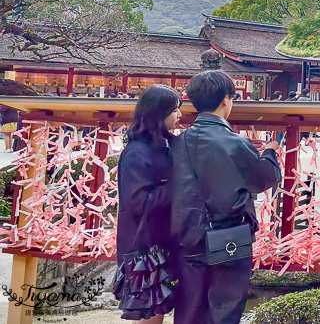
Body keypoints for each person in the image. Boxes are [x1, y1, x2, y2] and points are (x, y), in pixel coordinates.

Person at [171, 71, 282, 324]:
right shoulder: (236, 143)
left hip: (187, 237)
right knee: (225, 310)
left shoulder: (179, 142)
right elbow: (264, 179)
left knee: (189, 310)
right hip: (229, 238)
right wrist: (270, 154)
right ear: (226, 100)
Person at [113, 85, 181, 323]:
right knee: (151, 315)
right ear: (158, 113)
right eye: (175, 110)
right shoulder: (136, 153)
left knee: (158, 312)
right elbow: (139, 202)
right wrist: (179, 186)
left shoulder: (164, 144)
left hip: (161, 242)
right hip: (145, 249)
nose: (179, 115)